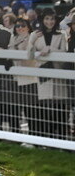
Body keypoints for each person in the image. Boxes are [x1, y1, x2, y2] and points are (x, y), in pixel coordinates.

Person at [28, 9, 70, 139]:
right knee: (46, 111)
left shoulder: (61, 34)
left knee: (61, 111)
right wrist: (32, 41)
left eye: (52, 19)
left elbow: (64, 55)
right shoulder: (36, 34)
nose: (49, 22)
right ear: (42, 20)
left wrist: (50, 50)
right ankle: (48, 140)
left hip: (58, 76)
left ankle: (62, 140)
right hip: (43, 77)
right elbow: (29, 56)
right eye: (47, 19)